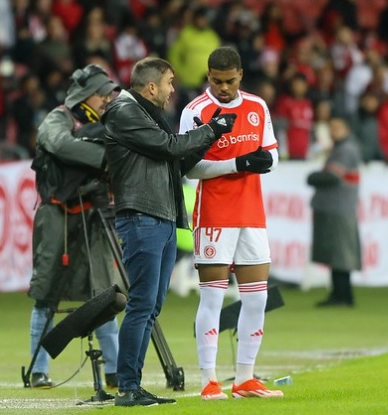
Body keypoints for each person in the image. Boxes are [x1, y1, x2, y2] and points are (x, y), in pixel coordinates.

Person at [102, 57, 236, 407]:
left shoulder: (145, 115)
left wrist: (209, 136)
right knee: (142, 304)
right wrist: (211, 129)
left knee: (151, 306)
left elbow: (177, 162)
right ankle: (127, 387)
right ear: (151, 87)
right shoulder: (124, 112)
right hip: (142, 217)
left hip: (159, 216)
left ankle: (133, 384)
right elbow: (170, 147)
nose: (172, 89)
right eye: (169, 83)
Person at [178, 46, 283, 401]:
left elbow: (272, 153)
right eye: (217, 81)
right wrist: (237, 164)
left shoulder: (257, 106)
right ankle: (209, 380)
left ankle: (245, 379)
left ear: (241, 75)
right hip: (215, 213)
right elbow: (190, 168)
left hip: (252, 214)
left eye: (230, 81)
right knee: (213, 297)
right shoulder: (195, 111)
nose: (223, 88)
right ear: (208, 76)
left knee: (257, 298)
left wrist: (266, 162)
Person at [27, 64, 123, 389]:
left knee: (103, 293)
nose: (107, 100)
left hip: (95, 213)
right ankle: (38, 369)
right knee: (47, 293)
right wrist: (106, 156)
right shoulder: (59, 117)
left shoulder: (106, 122)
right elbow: (59, 144)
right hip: (57, 214)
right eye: (102, 94)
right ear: (86, 95)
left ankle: (115, 369)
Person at [307, 114, 362, 307]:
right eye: (331, 127)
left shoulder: (345, 149)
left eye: (337, 127)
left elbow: (333, 176)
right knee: (338, 253)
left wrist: (312, 177)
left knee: (339, 253)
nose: (333, 131)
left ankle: (342, 295)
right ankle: (341, 294)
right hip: (338, 207)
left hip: (338, 207)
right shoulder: (342, 149)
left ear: (347, 129)